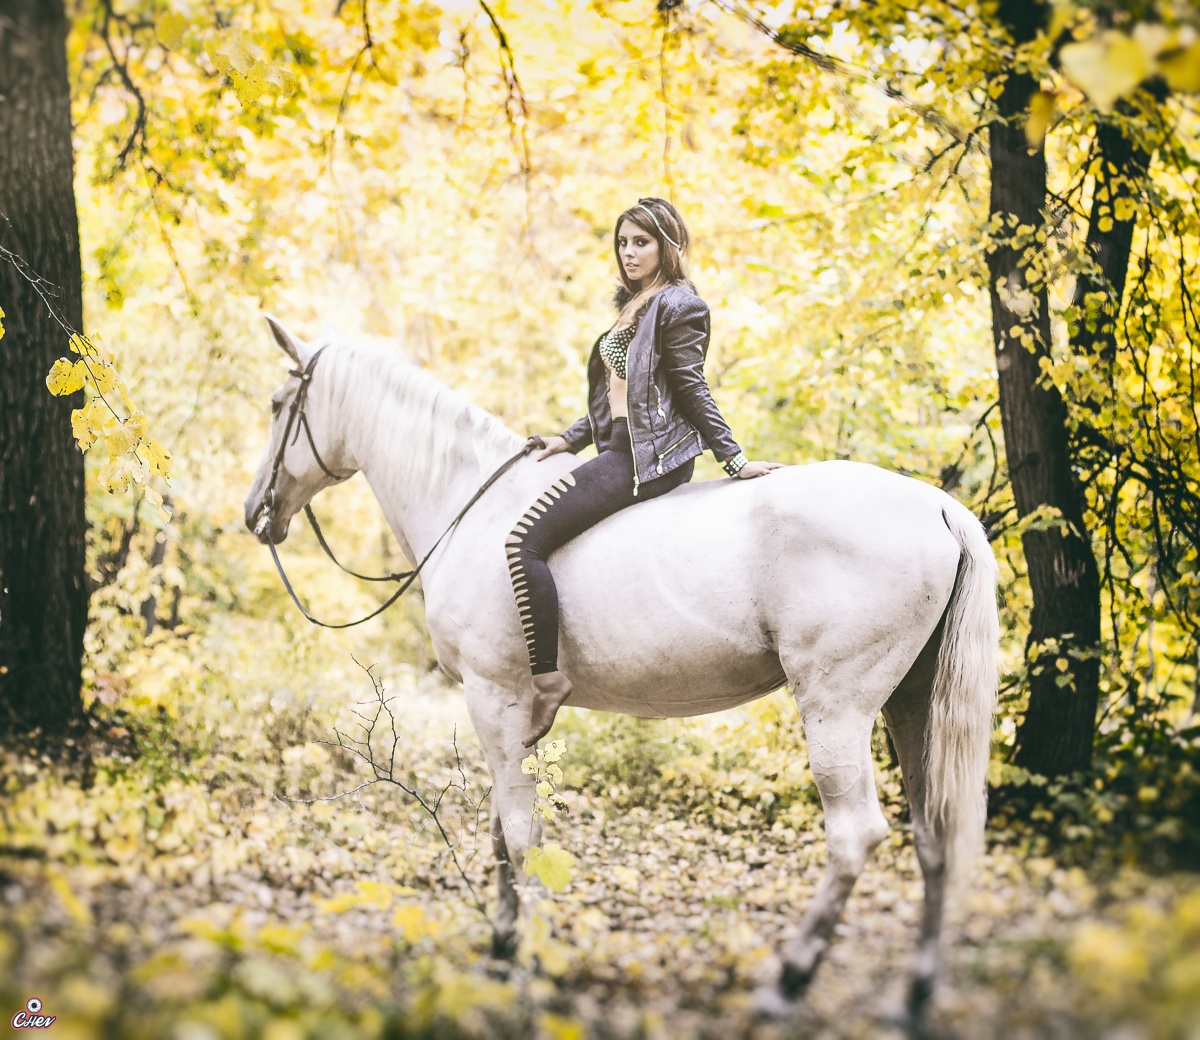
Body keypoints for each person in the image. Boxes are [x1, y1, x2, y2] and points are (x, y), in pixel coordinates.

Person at [507, 197, 782, 747]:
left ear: (668, 246)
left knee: (522, 545)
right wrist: (570, 438)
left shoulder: (680, 305)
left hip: (643, 459)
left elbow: (690, 387)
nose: (629, 253)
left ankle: (548, 680)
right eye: (623, 243)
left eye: (642, 242)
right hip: (619, 446)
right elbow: (619, 396)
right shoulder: (636, 304)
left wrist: (734, 459)